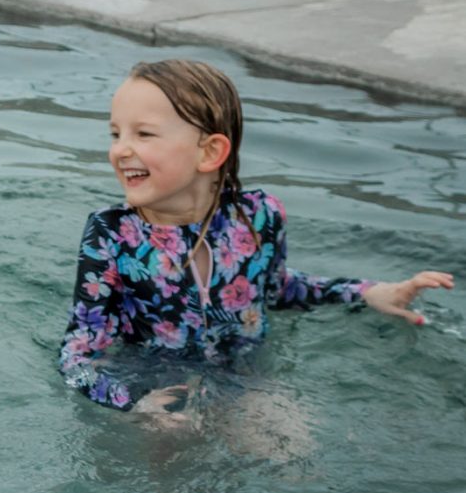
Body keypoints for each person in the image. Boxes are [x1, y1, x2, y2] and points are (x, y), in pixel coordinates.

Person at [60, 56, 450, 416]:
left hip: (245, 378)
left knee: (291, 461)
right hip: (155, 386)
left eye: (143, 134)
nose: (120, 150)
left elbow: (278, 291)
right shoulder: (112, 233)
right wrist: (135, 403)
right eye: (115, 134)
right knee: (168, 464)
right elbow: (77, 356)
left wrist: (366, 292)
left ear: (210, 152)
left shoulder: (257, 215)